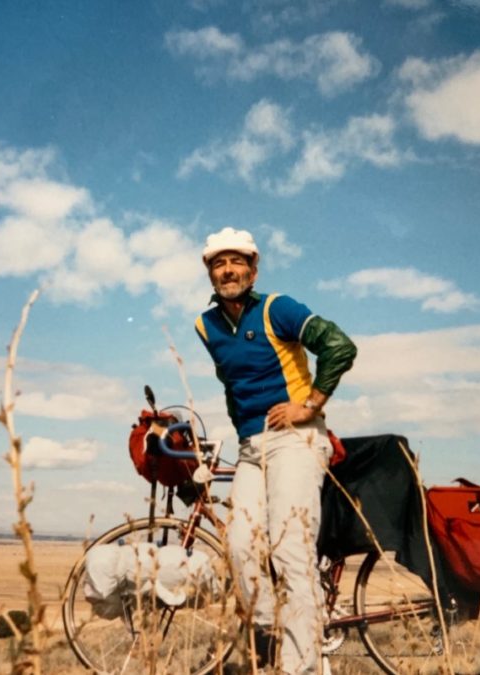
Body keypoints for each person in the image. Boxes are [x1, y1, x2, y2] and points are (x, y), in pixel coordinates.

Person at [195, 227, 357, 675]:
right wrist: (246, 431)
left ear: (253, 268)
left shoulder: (276, 307)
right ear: (209, 272)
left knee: (289, 551)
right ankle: (270, 638)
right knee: (240, 546)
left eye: (236, 261)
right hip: (252, 448)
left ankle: (300, 667)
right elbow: (232, 385)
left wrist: (310, 405)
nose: (228, 270)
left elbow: (339, 346)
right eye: (218, 263)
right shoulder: (204, 326)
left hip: (295, 441)